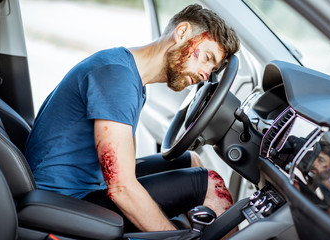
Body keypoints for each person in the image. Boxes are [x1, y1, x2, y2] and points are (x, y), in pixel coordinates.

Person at [24, 4, 240, 232]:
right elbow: (121, 188)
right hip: (64, 202)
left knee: (192, 161)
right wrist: (171, 234)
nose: (205, 75)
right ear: (182, 32)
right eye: (207, 58)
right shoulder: (117, 78)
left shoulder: (130, 76)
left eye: (212, 68)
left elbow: (123, 168)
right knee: (208, 183)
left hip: (86, 186)